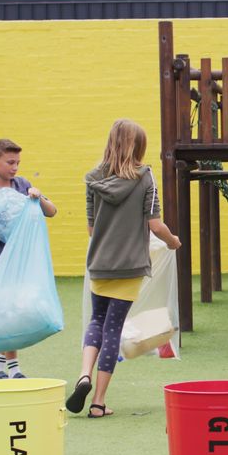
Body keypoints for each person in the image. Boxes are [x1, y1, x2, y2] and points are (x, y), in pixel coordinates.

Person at [65, 119, 181, 418]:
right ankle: (98, 402)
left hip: (100, 263)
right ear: (138, 147)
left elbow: (92, 230)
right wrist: (172, 241)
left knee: (96, 322)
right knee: (113, 329)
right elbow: (155, 225)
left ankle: (83, 375)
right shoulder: (145, 178)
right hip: (129, 267)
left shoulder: (92, 178)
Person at [0, 138, 57, 380]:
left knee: (18, 310)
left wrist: (37, 197)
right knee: (3, 310)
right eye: (10, 162)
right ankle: (9, 368)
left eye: (18, 163)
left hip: (22, 259)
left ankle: (5, 366)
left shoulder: (23, 185)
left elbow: (51, 211)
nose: (15, 168)